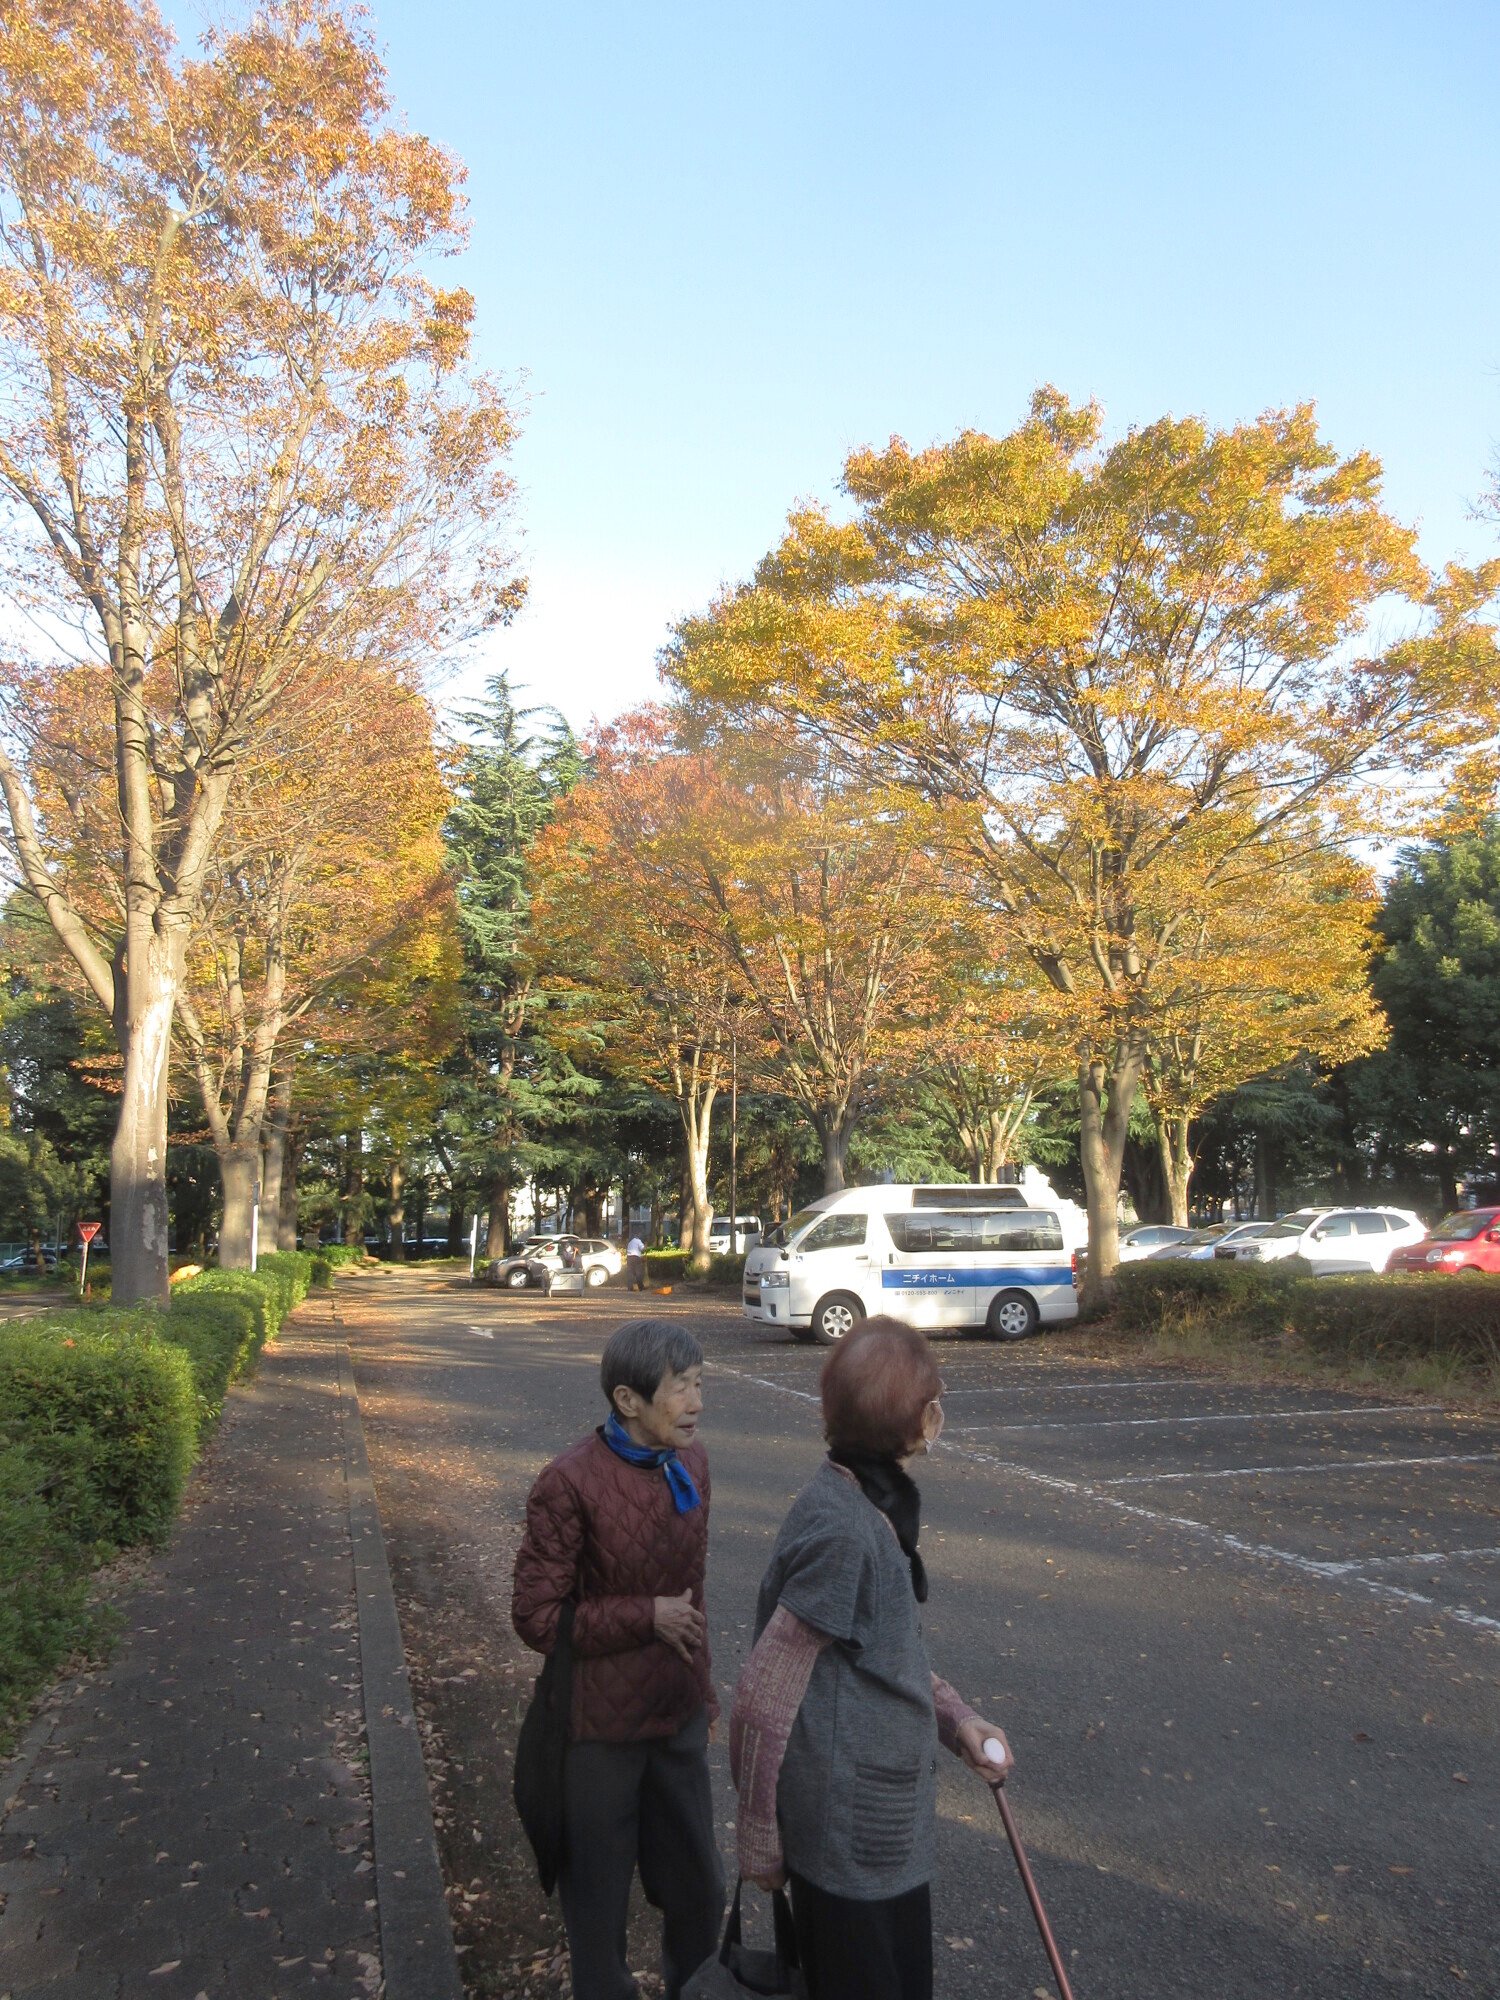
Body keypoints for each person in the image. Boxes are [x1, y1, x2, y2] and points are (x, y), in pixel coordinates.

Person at [729, 1317, 1012, 2000]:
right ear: (910, 1422)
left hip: (887, 1831)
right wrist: (761, 1837)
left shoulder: (865, 1499)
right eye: (931, 1399)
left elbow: (888, 1654)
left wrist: (957, 1720)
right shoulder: (846, 1530)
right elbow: (764, 1694)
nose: (939, 1412)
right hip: (849, 1837)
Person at [512, 1320, 724, 2000]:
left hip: (676, 1718)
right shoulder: (567, 1483)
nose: (695, 1403)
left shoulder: (692, 1464)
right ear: (628, 1400)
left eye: (699, 1385)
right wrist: (645, 1616)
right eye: (680, 1389)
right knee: (597, 1911)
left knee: (699, 1889)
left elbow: (692, 1595)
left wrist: (705, 1692)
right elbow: (536, 1618)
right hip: (597, 1734)